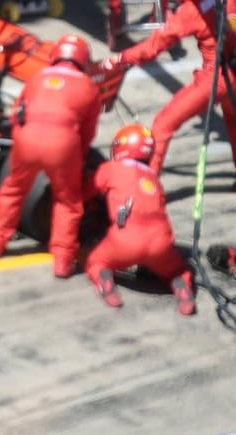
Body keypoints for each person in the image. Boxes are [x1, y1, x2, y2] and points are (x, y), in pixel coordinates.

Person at [104, 0, 236, 200]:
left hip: (216, 79)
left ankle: (148, 192)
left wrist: (121, 58)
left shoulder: (191, 12)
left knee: (163, 124)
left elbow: (153, 47)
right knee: (233, 119)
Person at [0, 35, 102, 278]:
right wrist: (75, 161)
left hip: (27, 139)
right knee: (67, 202)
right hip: (62, 144)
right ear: (83, 60)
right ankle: (62, 260)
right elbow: (87, 134)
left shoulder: (37, 77)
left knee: (13, 189)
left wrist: (21, 140)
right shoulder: (89, 87)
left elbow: (16, 115)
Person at [84, 124, 197, 316]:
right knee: (178, 270)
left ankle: (104, 280)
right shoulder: (154, 178)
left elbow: (85, 193)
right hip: (160, 243)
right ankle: (183, 289)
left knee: (95, 262)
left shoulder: (110, 168)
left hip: (124, 242)